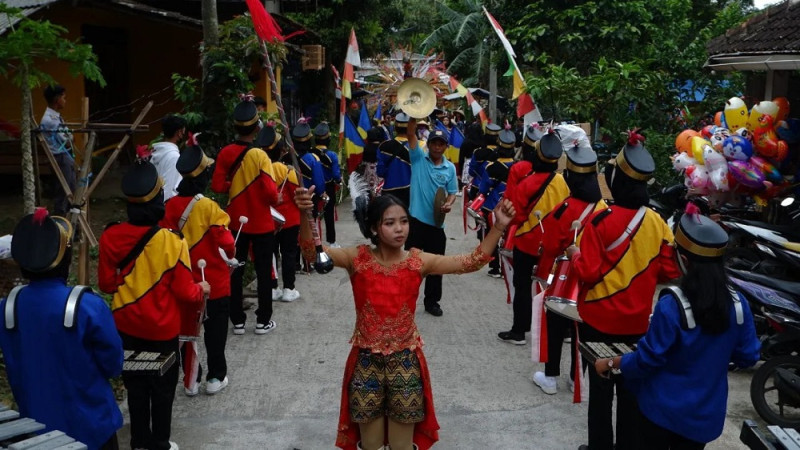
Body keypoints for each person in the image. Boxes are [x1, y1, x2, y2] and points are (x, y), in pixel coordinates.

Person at [294, 186, 516, 450]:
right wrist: (302, 214)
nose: (400, 229)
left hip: (405, 363)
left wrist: (498, 227)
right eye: (390, 223)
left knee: (402, 447)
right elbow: (311, 253)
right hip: (366, 363)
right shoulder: (357, 258)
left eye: (404, 221)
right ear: (375, 229)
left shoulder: (418, 261)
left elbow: (472, 261)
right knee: (370, 445)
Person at [592, 208, 760, 449]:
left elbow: (648, 360)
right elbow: (748, 356)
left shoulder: (672, 304)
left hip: (661, 413)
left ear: (684, 259)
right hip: (704, 418)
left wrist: (612, 363)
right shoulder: (738, 303)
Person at [567, 130, 682, 450]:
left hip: (597, 324)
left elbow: (587, 272)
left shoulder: (600, 223)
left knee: (600, 396)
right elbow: (672, 270)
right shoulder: (658, 223)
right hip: (637, 327)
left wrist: (574, 253)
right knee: (631, 396)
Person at [98, 158, 209, 450]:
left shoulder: (110, 237)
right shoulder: (172, 242)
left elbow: (107, 285)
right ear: (158, 199)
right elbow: (187, 294)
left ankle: (138, 442)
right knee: (161, 390)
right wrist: (202, 288)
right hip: (161, 333)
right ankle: (160, 442)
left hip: (125, 328)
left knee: (135, 388)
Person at [0, 209, 123, 450]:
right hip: (93, 428)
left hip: (35, 433)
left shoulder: (7, 309)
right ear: (66, 260)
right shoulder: (87, 306)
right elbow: (113, 365)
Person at [531, 126, 607, 395]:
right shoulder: (604, 208)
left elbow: (550, 245)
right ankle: (578, 378)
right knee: (582, 330)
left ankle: (550, 378)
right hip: (592, 280)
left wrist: (541, 273)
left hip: (565, 278)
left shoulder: (566, 208)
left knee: (555, 327)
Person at [160, 135, 235, 396]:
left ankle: (191, 379)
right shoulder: (210, 207)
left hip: (182, 282)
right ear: (202, 177)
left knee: (187, 332)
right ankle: (215, 377)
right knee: (215, 332)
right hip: (213, 281)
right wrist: (231, 252)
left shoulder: (168, 207)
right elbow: (228, 244)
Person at [211, 100, 279, 336]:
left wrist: (236, 185)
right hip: (261, 223)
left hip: (234, 223)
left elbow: (218, 185)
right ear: (257, 127)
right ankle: (263, 321)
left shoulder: (225, 153)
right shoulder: (261, 155)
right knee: (263, 271)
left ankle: (237, 321)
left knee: (235, 270)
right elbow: (271, 192)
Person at [498, 129, 569, 345]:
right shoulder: (563, 183)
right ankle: (563, 330)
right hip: (553, 244)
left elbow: (515, 215)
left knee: (522, 285)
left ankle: (519, 331)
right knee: (555, 285)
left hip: (527, 242)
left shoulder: (526, 183)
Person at [404, 124, 458, 317]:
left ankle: (432, 302)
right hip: (417, 223)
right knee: (411, 265)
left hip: (437, 225)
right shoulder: (418, 159)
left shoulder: (449, 168)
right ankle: (405, 300)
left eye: (441, 144)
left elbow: (452, 193)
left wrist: (448, 204)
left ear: (445, 147)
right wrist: (414, 115)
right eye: (434, 143)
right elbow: (410, 133)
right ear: (428, 144)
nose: (437, 147)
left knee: (435, 266)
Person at [255, 125, 302, 302]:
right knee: (289, 253)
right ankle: (289, 288)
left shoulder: (259, 170)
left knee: (270, 253)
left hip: (267, 219)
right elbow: (298, 194)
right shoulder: (288, 171)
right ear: (281, 150)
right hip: (289, 219)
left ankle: (272, 287)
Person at [478, 126, 516, 278]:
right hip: (512, 207)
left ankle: (495, 267)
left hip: (492, 206)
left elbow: (483, 188)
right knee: (508, 236)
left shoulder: (492, 167)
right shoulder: (518, 166)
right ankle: (508, 267)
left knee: (492, 235)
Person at [40, 84, 75, 216]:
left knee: (70, 190)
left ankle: (69, 223)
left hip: (64, 156)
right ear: (57, 99)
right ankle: (60, 224)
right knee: (64, 192)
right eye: (63, 98)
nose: (65, 101)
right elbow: (67, 141)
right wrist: (70, 139)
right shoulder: (51, 120)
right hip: (60, 157)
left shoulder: (54, 117)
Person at [313, 122, 343, 247]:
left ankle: (314, 242)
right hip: (328, 188)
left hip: (313, 188)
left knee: (313, 216)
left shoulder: (311, 154)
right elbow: (336, 175)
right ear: (328, 139)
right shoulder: (332, 155)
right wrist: (340, 181)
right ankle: (332, 241)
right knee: (329, 214)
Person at [377, 113, 413, 207]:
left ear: (395, 128)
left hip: (389, 191)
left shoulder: (383, 146)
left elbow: (380, 172)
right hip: (411, 191)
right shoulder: (419, 147)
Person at [150, 115, 187, 200]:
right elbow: (168, 189)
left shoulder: (155, 153)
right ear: (179, 132)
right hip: (165, 207)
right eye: (183, 131)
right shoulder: (174, 157)